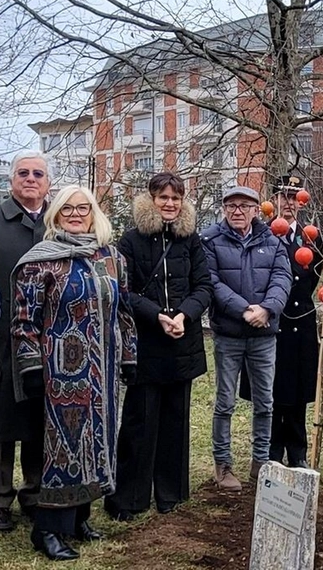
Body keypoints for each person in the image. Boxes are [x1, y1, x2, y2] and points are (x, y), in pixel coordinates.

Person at [11, 185, 138, 562]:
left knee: (99, 443)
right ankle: (48, 529)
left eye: (83, 208)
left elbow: (125, 310)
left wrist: (129, 354)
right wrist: (31, 364)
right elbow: (23, 320)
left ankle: (81, 516)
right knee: (65, 447)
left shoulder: (111, 257)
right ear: (55, 214)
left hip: (105, 370)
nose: (76, 214)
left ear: (94, 213)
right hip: (62, 371)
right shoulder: (41, 261)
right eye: (68, 208)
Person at [107, 172, 214, 521]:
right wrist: (157, 316)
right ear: (151, 199)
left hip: (182, 342)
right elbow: (124, 291)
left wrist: (184, 315)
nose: (170, 203)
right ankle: (130, 497)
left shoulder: (192, 241)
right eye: (163, 197)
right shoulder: (131, 241)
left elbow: (204, 286)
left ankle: (171, 494)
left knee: (175, 421)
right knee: (139, 423)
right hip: (145, 342)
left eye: (175, 198)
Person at [0, 151, 51, 533]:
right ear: (11, 180)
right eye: (24, 173)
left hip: (50, 343)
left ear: (48, 182)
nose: (31, 179)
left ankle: (35, 493)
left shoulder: (59, 221)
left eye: (38, 174)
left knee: (40, 419)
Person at [201, 185, 292, 489]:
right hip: (228, 334)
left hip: (264, 335)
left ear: (256, 209)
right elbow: (211, 282)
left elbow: (282, 279)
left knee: (265, 401)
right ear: (224, 209)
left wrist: (267, 309)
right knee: (225, 402)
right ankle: (223, 465)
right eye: (231, 205)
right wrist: (243, 310)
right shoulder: (210, 241)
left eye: (244, 205)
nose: (237, 211)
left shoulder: (273, 241)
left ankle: (261, 461)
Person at [254, 174, 323, 468]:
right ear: (274, 201)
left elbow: (316, 272)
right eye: (284, 196)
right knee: (272, 386)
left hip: (301, 320)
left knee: (297, 388)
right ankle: (272, 447)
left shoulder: (310, 236)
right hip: (273, 321)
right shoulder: (264, 234)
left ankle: (297, 449)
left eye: (295, 197)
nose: (290, 203)